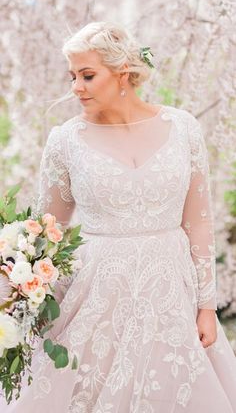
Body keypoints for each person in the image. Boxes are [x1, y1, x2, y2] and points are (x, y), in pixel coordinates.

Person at [2, 21, 236, 412]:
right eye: (72, 76)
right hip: (95, 292)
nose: (76, 87)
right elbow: (46, 229)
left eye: (88, 75)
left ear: (122, 72)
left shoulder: (183, 129)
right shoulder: (65, 141)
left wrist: (207, 306)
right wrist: (20, 298)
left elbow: (199, 222)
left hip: (170, 292)